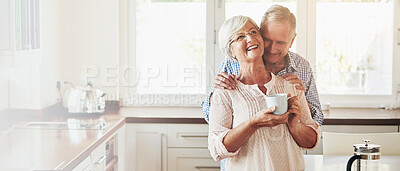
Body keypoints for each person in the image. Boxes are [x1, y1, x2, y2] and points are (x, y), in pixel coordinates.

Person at [208, 15, 320, 170]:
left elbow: (312, 140)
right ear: (231, 51)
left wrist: (294, 125)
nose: (250, 38)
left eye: (254, 32)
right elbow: (216, 149)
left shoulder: (291, 85)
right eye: (240, 36)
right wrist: (253, 123)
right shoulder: (225, 89)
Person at [201, 4, 324, 126]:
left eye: (280, 43)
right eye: (267, 40)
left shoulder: (302, 66)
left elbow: (317, 119)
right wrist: (216, 93)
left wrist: (301, 100)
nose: (271, 49)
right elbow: (209, 115)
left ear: (292, 41)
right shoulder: (233, 62)